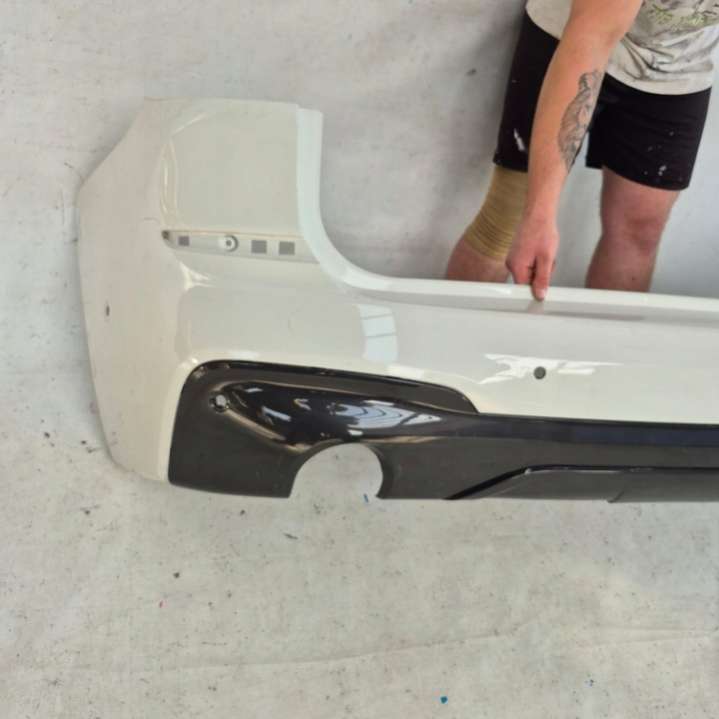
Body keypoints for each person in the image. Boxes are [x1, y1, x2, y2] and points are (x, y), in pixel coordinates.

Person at [446, 0, 719, 300]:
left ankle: (606, 333)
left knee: (639, 230)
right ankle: (456, 330)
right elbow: (591, 38)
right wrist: (540, 213)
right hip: (576, 32)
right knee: (510, 215)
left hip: (678, 59)